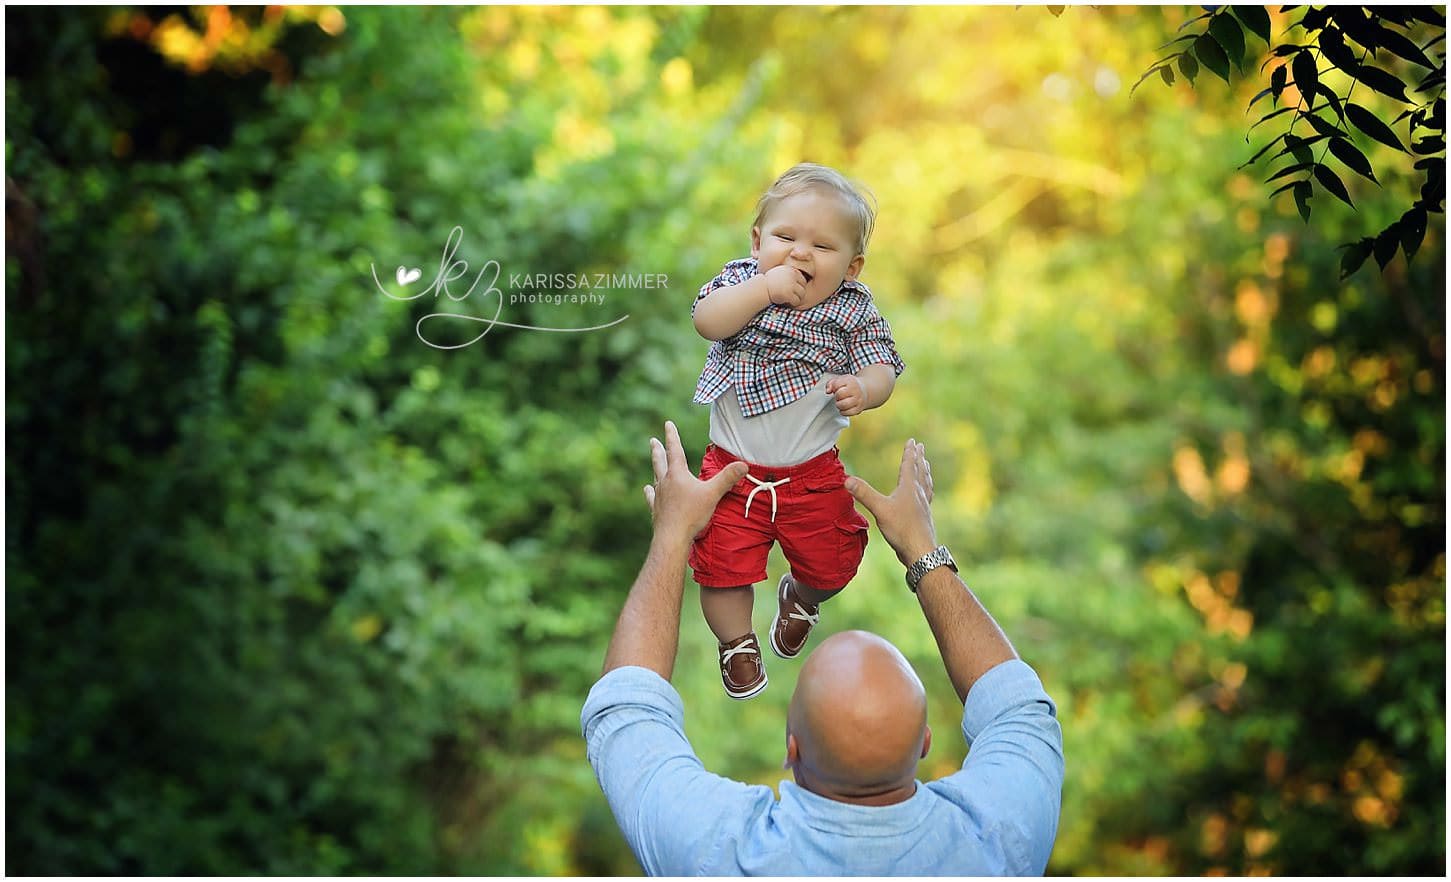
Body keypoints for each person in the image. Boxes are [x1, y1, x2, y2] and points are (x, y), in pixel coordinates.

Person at [581, 421, 1064, 875]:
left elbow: (626, 707)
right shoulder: (1002, 840)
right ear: (924, 744)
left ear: (791, 749)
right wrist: (923, 549)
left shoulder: (716, 850)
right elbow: (1014, 707)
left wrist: (671, 536)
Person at [689, 163, 906, 699]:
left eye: (823, 247)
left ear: (852, 266)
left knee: (834, 561)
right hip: (733, 471)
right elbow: (707, 321)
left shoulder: (850, 309)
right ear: (758, 240)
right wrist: (764, 289)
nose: (801, 253)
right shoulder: (742, 282)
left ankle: (803, 596)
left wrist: (865, 387)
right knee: (721, 569)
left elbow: (884, 363)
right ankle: (736, 642)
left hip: (810, 472)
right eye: (785, 237)